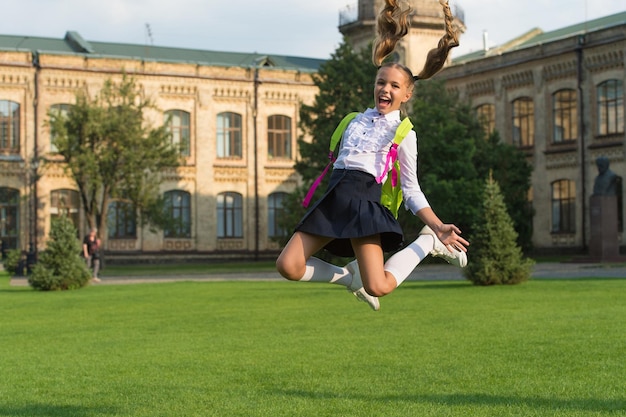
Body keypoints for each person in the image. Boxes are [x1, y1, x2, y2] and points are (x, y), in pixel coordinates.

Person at [276, 0, 468, 311]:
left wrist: (436, 225)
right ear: (374, 85)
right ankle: (348, 279)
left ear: (407, 94)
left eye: (395, 85)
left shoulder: (404, 133)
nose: (385, 89)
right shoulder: (353, 120)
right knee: (289, 265)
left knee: (378, 285)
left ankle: (426, 243)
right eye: (381, 82)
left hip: (365, 206)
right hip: (335, 199)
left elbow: (411, 190)